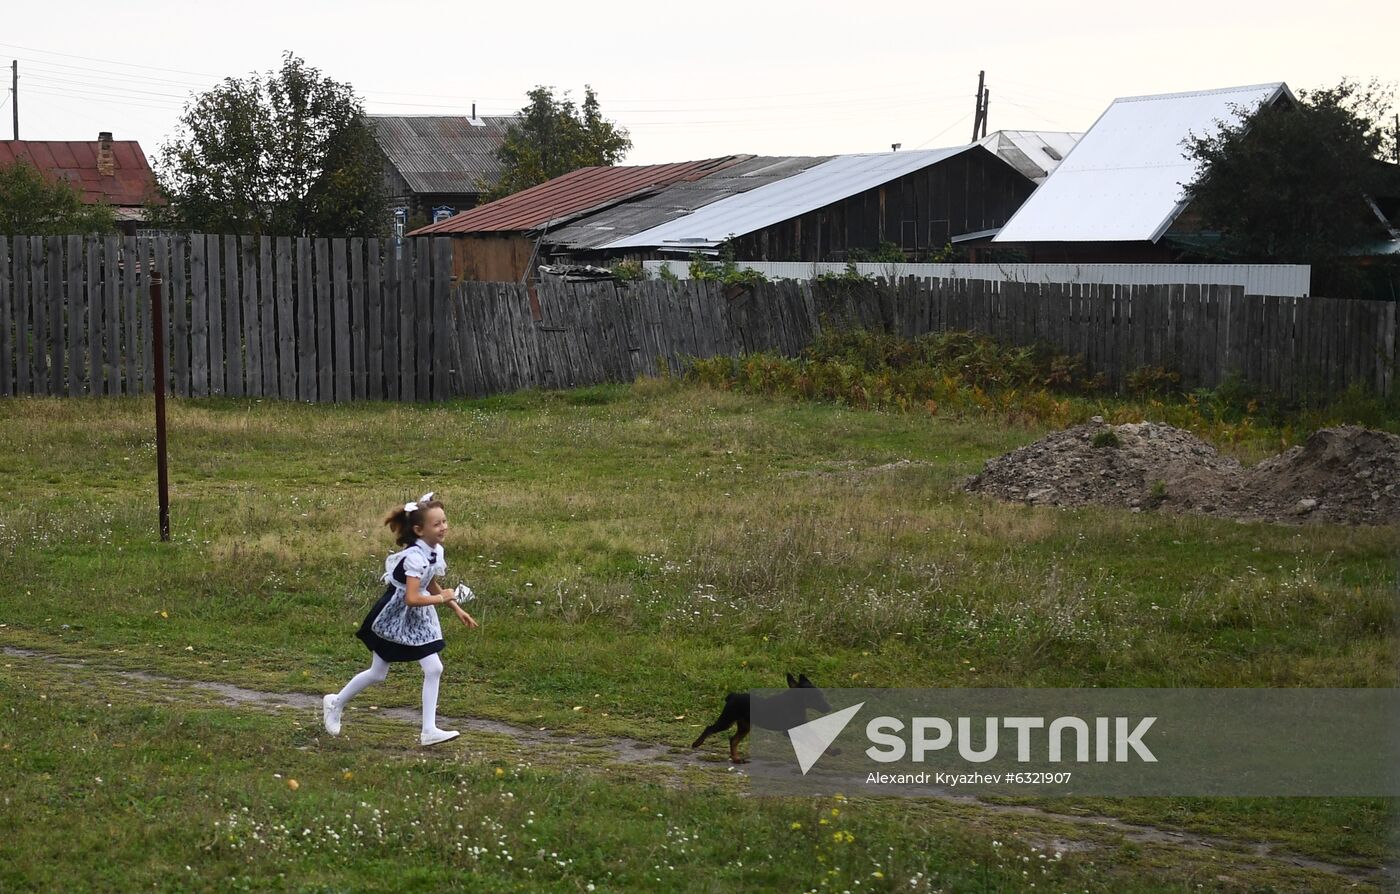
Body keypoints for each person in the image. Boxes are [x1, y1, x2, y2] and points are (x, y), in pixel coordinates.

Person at [323, 491, 478, 746]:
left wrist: (456, 607)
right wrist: (442, 599)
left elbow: (432, 581)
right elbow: (412, 598)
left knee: (434, 667)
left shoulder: (433, 551)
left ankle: (428, 730)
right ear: (419, 530)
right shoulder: (414, 558)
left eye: (444, 521)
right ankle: (335, 703)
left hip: (416, 619)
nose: (443, 527)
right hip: (394, 617)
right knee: (378, 673)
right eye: (437, 523)